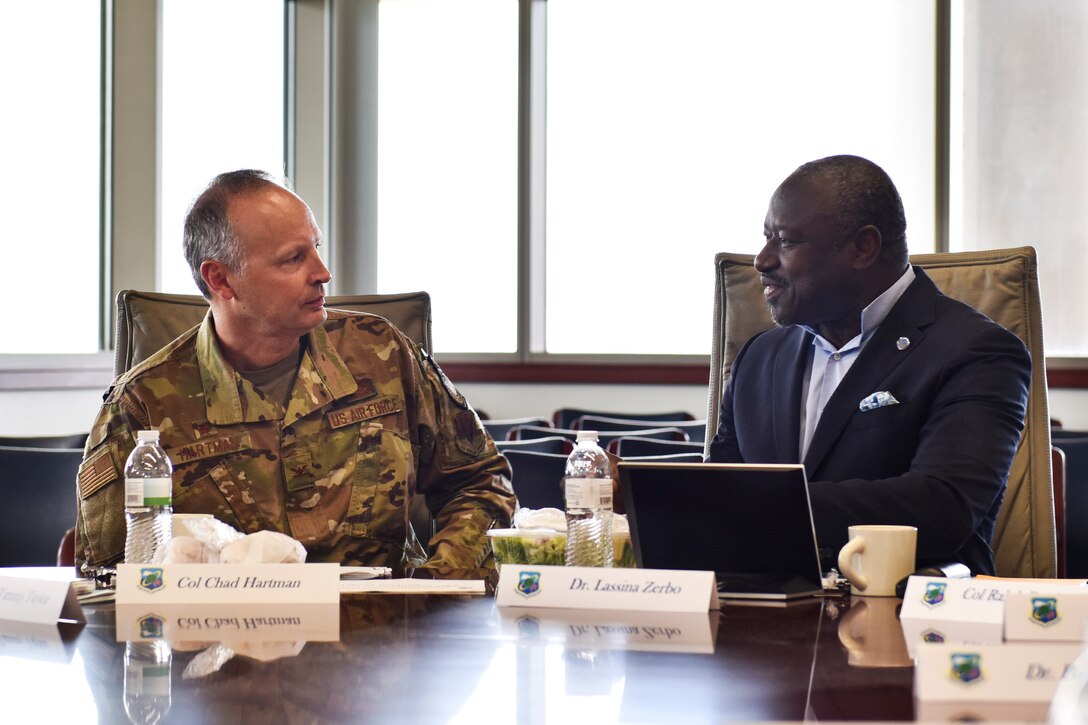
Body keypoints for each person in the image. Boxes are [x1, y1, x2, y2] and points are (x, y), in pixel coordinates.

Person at [75, 170, 515, 573]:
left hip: (385, 635)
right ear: (221, 280)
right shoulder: (142, 406)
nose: (323, 273)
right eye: (293, 259)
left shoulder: (381, 352)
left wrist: (438, 586)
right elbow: (107, 577)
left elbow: (479, 482)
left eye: (316, 248)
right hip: (229, 646)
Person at [707, 155, 1030, 576]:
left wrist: (764, 503)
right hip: (756, 616)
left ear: (863, 248)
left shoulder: (977, 351)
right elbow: (716, 499)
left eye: (785, 241)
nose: (762, 260)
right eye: (766, 238)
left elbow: (942, 508)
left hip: (906, 619)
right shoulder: (760, 357)